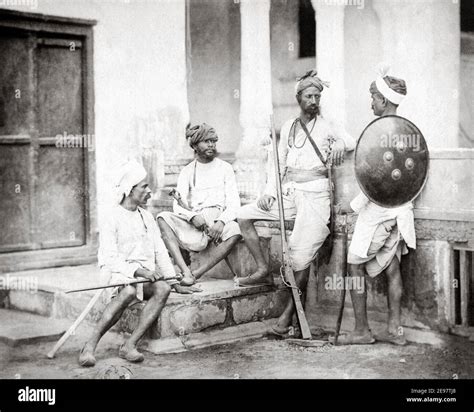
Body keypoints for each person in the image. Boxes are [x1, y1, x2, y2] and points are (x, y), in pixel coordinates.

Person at [236, 70, 355, 335]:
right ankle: (263, 268)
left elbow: (351, 140)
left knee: (299, 259)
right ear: (298, 97)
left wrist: (339, 144)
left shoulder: (327, 124)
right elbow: (277, 164)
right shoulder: (289, 126)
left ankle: (288, 316)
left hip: (315, 197)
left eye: (317, 96)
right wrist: (269, 192)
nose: (314, 101)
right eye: (309, 96)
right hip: (289, 193)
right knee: (244, 215)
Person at [78, 161, 196, 367]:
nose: (149, 191)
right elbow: (111, 258)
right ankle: (89, 345)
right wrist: (138, 271)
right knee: (129, 291)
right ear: (129, 190)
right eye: (144, 187)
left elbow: (160, 250)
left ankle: (129, 345)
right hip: (117, 272)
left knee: (163, 288)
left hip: (144, 275)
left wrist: (172, 279)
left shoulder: (146, 217)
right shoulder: (111, 217)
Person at [337, 65, 415, 346]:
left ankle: (361, 331)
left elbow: (376, 181)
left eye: (373, 97)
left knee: (354, 267)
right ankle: (395, 332)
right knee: (393, 268)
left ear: (383, 100)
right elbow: (410, 174)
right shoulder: (407, 133)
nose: (370, 102)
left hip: (378, 214)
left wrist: (353, 206)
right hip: (401, 213)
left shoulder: (380, 132)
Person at [157, 123, 241, 285]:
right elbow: (178, 204)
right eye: (206, 141)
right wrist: (193, 216)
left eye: (213, 141)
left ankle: (196, 273)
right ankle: (185, 270)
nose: (211, 145)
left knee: (236, 230)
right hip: (196, 224)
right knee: (162, 217)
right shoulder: (187, 171)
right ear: (195, 145)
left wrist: (221, 221)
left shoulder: (225, 168)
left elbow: (234, 203)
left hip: (219, 223)